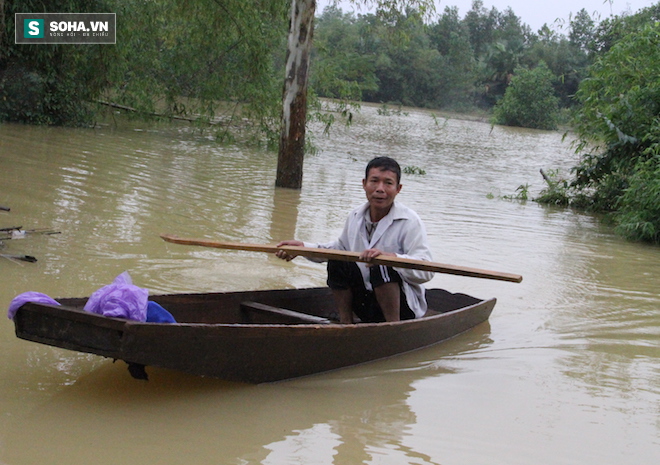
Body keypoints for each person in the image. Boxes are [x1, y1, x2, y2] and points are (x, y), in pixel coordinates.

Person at [276, 156, 433, 324]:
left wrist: (393, 258)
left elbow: (426, 270)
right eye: (374, 181)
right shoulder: (356, 216)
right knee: (337, 259)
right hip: (366, 301)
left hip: (402, 309)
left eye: (388, 183)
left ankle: (392, 328)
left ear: (398, 188)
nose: (380, 189)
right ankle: (346, 324)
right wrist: (303, 248)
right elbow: (339, 248)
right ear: (364, 183)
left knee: (381, 264)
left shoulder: (409, 221)